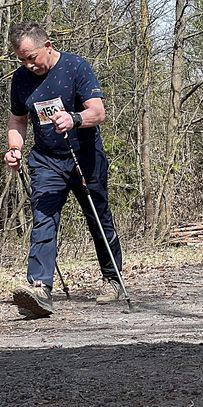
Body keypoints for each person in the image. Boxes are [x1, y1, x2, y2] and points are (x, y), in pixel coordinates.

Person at [4, 22, 125, 317]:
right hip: (46, 159)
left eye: (31, 57)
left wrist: (74, 118)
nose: (28, 65)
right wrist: (14, 149)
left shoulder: (75, 67)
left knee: (98, 218)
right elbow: (18, 120)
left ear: (47, 45)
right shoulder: (20, 79)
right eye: (21, 60)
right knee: (43, 217)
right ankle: (40, 289)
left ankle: (113, 279)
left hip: (85, 156)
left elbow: (98, 112)